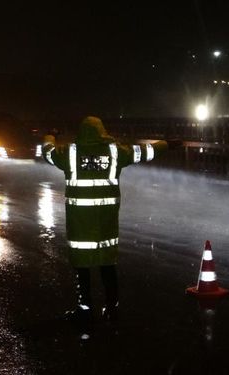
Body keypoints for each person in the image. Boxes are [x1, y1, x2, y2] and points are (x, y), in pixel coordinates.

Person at [42, 116, 180, 333]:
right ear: (102, 131)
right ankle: (112, 308)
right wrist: (168, 144)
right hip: (106, 219)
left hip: (80, 223)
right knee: (107, 264)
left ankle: (85, 310)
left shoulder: (70, 153)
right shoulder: (115, 152)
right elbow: (144, 152)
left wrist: (51, 134)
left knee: (83, 267)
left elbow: (47, 152)